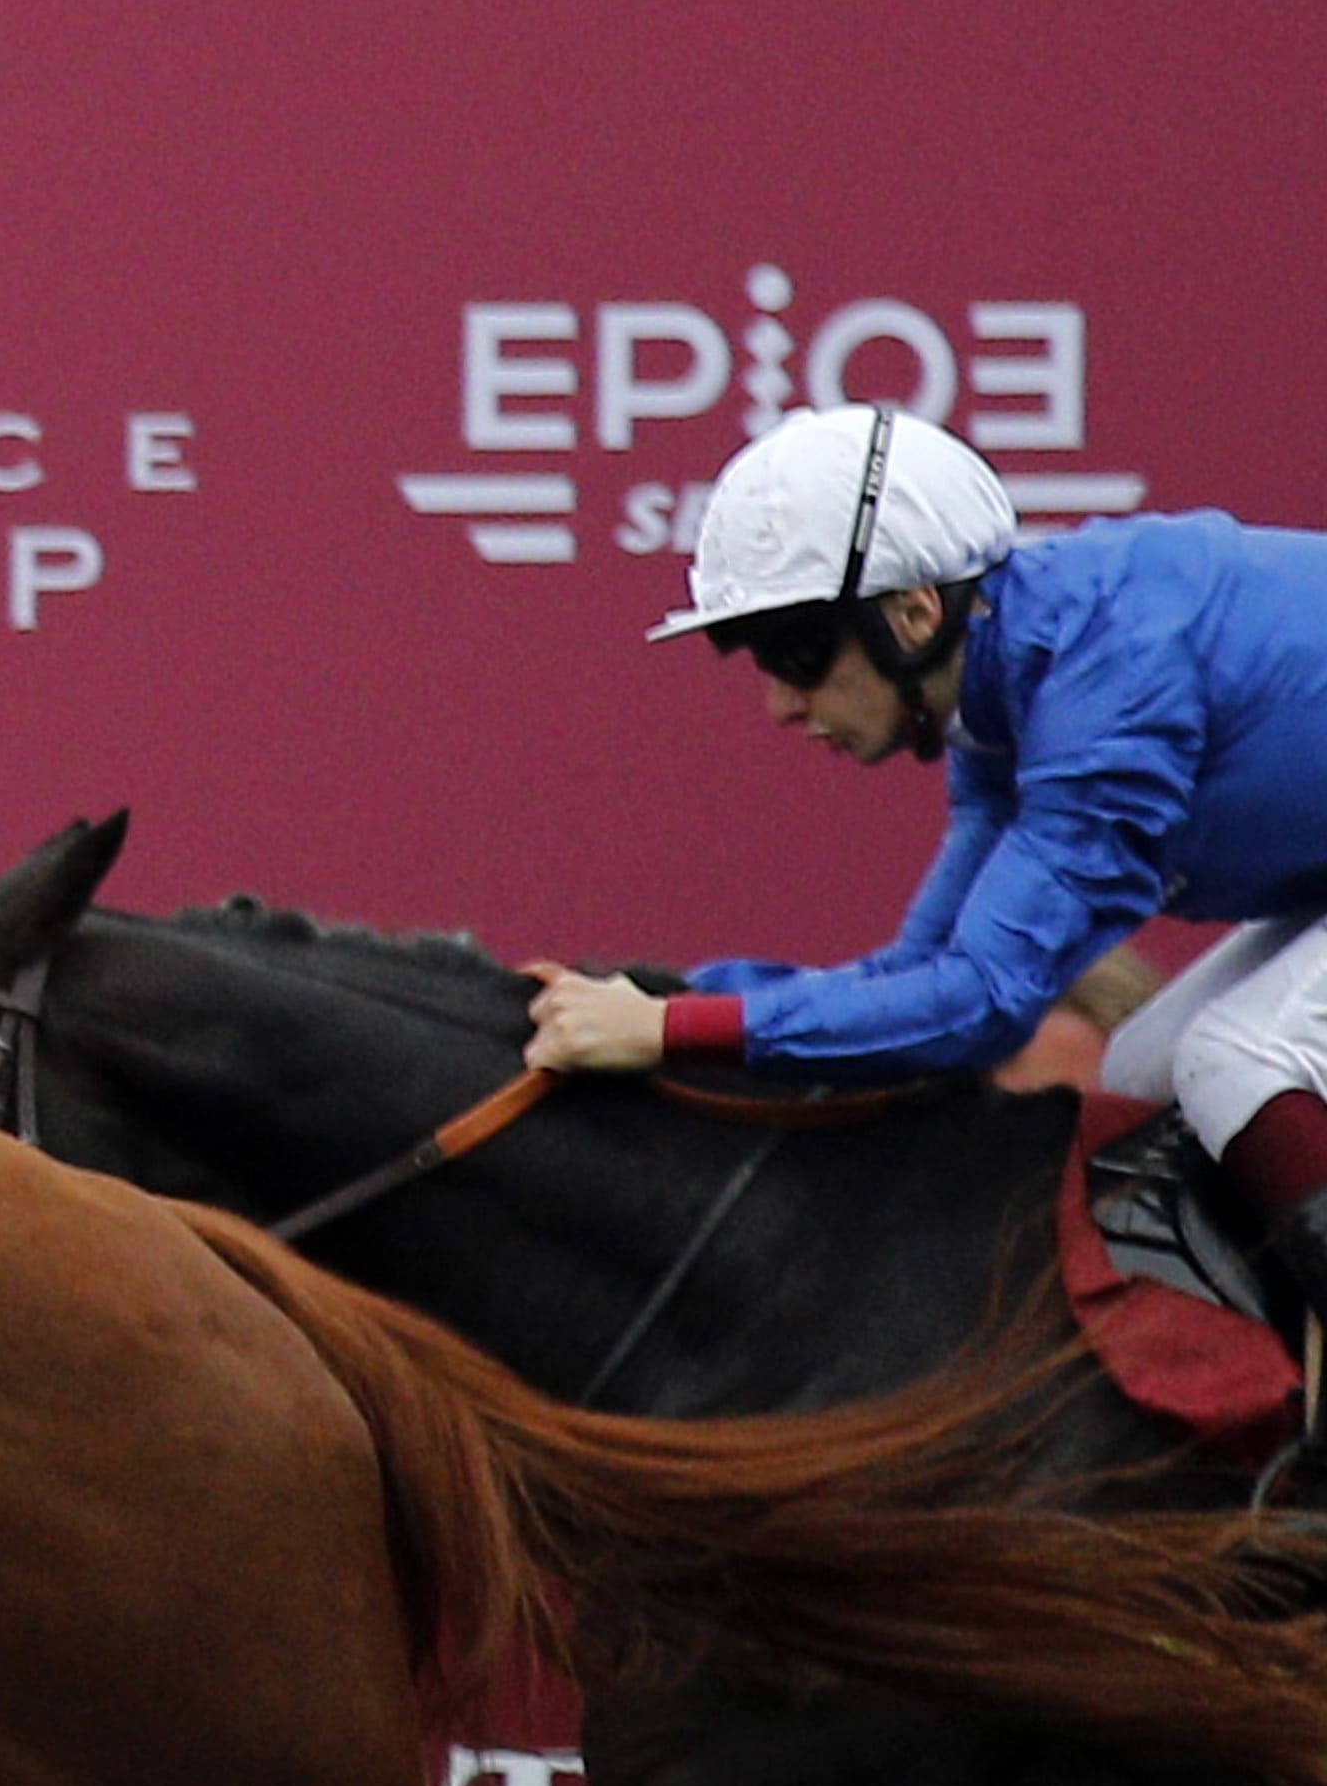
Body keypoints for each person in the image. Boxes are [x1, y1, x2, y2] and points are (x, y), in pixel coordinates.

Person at [523, 405, 1327, 1304]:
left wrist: (671, 1031)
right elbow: (915, 975)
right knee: (1144, 1073)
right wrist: (667, 1003)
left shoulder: (1107, 684)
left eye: (799, 651)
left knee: (1238, 1059)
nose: (782, 706)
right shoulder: (1003, 693)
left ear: (913, 613)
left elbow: (979, 1006)